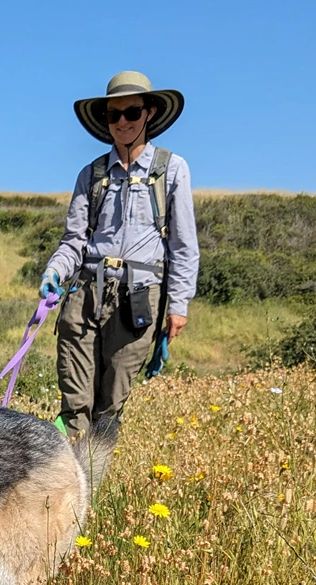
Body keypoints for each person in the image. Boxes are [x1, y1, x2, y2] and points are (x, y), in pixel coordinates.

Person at [40, 71, 199, 438]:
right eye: (114, 115)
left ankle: (93, 484)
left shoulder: (172, 170)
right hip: (85, 293)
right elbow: (73, 241)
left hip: (140, 299)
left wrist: (178, 306)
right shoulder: (91, 174)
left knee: (110, 407)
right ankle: (72, 491)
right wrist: (54, 272)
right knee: (75, 404)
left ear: (151, 112)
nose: (123, 122)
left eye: (131, 112)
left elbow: (183, 245)